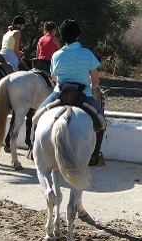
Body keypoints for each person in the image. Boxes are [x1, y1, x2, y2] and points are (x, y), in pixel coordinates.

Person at [37, 19, 105, 166]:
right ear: (78, 36)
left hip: (59, 93)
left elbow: (54, 77)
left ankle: (35, 150)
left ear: (62, 36)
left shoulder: (57, 55)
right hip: (83, 94)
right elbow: (96, 79)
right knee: (102, 123)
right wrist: (92, 89)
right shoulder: (87, 53)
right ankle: (94, 156)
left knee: (37, 117)